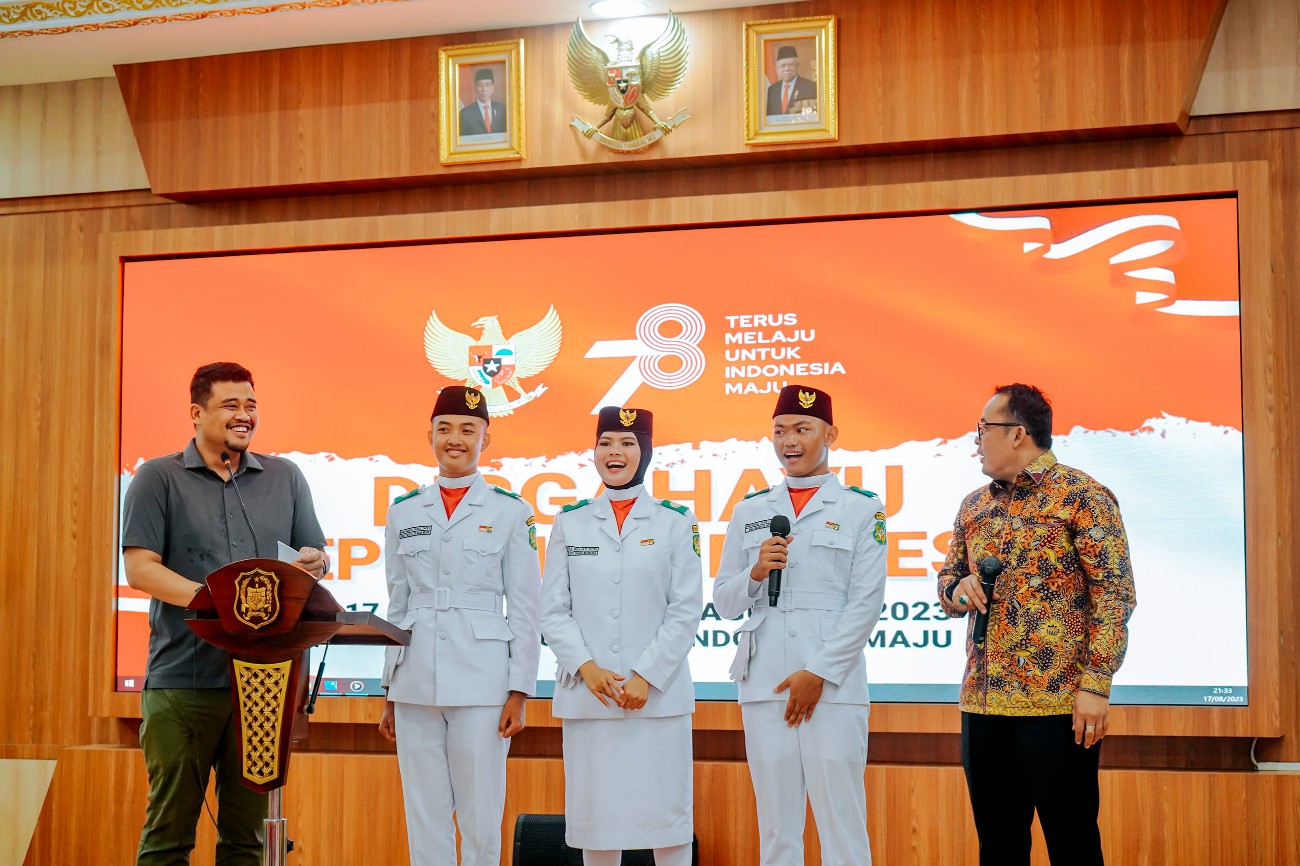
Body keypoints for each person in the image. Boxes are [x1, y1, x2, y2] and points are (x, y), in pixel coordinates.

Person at [121, 361, 330, 866]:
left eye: (251, 405)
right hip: (183, 682)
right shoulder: (158, 477)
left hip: (264, 686)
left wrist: (315, 563)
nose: (245, 416)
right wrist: (214, 602)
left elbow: (316, 557)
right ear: (197, 412)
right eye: (231, 405)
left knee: (247, 840)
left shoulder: (286, 476)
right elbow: (140, 569)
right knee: (169, 834)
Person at [937, 383, 1137, 866]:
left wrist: (1096, 685)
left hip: (1058, 707)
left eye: (983, 429)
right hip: (982, 705)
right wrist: (957, 590)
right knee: (999, 847)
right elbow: (947, 582)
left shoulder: (1082, 496)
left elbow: (1114, 594)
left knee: (1072, 844)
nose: (976, 441)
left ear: (1018, 434)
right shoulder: (974, 505)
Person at [713, 384, 887, 866]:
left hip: (832, 683)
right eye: (780, 431)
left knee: (842, 822)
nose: (789, 441)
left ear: (830, 433)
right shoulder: (751, 510)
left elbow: (866, 602)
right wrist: (754, 573)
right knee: (776, 825)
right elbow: (725, 603)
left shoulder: (861, 507)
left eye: (802, 429)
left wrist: (819, 673)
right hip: (764, 679)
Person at [378, 385, 541, 866]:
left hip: (483, 683)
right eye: (444, 429)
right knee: (424, 816)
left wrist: (520, 690)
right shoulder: (404, 510)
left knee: (480, 815)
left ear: (485, 440)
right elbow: (397, 604)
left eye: (468, 430)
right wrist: (389, 689)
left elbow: (526, 607)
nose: (455, 439)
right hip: (414, 684)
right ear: (429, 435)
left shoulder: (512, 511)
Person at [541, 406, 702, 866]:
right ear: (594, 452)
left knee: (667, 824)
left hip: (658, 699)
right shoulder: (570, 522)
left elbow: (685, 609)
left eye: (628, 443)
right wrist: (586, 668)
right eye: (606, 442)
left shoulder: (676, 521)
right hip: (591, 696)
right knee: (599, 824)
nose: (616, 452)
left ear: (645, 452)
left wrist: (645, 677)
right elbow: (553, 610)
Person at [764, 45, 817, 118]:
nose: (787, 69)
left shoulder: (810, 86)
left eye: (791, 65)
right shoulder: (772, 90)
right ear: (777, 68)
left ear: (797, 65)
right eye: (782, 65)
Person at [459, 67, 507, 136]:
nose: (484, 89)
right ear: (475, 88)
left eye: (487, 85)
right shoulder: (465, 114)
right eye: (480, 85)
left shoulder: (502, 109)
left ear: (493, 88)